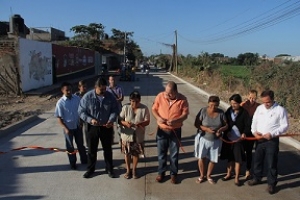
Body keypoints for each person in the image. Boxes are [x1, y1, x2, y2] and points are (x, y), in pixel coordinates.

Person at [248, 90, 289, 194]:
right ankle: (257, 178)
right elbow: (254, 121)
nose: (265, 104)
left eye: (268, 102)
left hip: (271, 140)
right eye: (263, 102)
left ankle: (271, 183)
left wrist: (272, 133)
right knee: (257, 160)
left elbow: (284, 126)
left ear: (273, 99)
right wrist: (254, 133)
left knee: (271, 162)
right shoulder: (259, 108)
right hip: (259, 139)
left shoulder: (280, 110)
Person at [78, 78, 119, 179]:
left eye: (105, 89)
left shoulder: (110, 96)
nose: (103, 91)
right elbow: (81, 111)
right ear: (95, 87)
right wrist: (90, 120)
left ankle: (109, 169)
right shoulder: (87, 97)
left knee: (108, 149)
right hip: (92, 127)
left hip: (106, 127)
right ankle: (90, 169)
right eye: (101, 90)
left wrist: (111, 120)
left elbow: (115, 110)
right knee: (92, 150)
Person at [152, 81, 189, 184]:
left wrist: (176, 120)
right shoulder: (160, 96)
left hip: (175, 131)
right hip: (162, 130)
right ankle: (161, 172)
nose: (166, 95)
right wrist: (158, 118)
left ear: (175, 92)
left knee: (174, 154)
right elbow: (154, 109)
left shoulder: (182, 99)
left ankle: (173, 174)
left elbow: (185, 115)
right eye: (166, 92)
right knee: (161, 153)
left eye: (169, 93)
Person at [194, 96, 227, 185]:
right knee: (201, 157)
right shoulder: (203, 111)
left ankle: (208, 176)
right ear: (208, 103)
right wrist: (206, 129)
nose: (213, 107)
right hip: (203, 138)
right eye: (211, 105)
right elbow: (197, 124)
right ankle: (201, 175)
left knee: (213, 159)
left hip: (215, 140)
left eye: (215, 106)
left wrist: (220, 130)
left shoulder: (221, 113)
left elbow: (226, 125)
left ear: (218, 105)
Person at [54, 82, 87, 170]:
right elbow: (59, 118)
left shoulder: (77, 99)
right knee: (70, 147)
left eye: (70, 90)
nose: (69, 92)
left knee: (80, 144)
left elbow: (81, 111)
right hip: (68, 128)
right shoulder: (60, 103)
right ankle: (73, 163)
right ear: (62, 91)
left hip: (77, 126)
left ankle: (84, 160)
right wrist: (65, 128)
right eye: (67, 90)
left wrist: (81, 121)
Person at [220, 94, 251, 186]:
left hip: (239, 140)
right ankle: (228, 174)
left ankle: (237, 177)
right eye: (231, 103)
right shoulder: (228, 111)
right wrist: (227, 131)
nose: (233, 105)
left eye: (235, 103)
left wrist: (244, 133)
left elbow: (248, 126)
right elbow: (224, 123)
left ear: (239, 103)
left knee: (238, 159)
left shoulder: (244, 113)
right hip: (228, 139)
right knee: (230, 158)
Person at [119, 91, 150, 179]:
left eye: (136, 101)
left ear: (140, 100)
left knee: (136, 154)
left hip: (138, 136)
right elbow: (119, 119)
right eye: (132, 101)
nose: (134, 103)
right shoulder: (125, 108)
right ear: (130, 100)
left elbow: (147, 121)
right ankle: (128, 170)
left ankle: (134, 170)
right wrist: (125, 123)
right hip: (127, 136)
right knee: (127, 154)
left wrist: (141, 124)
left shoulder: (144, 108)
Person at [240, 89, 260, 179]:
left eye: (254, 98)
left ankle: (248, 170)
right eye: (250, 97)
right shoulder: (243, 105)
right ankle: (238, 168)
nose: (252, 100)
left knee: (249, 151)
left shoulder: (259, 107)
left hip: (252, 133)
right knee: (240, 151)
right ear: (248, 96)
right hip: (243, 131)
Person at [106, 75, 124, 144]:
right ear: (109, 81)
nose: (112, 81)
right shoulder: (107, 89)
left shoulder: (119, 88)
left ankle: (121, 139)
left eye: (113, 79)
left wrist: (114, 100)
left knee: (119, 126)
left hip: (118, 110)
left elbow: (121, 98)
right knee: (110, 126)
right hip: (109, 111)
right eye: (111, 80)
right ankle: (111, 140)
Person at [75, 80, 88, 147]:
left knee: (87, 131)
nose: (85, 88)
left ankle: (88, 145)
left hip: (87, 116)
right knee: (79, 132)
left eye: (86, 86)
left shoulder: (88, 95)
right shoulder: (76, 96)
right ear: (79, 87)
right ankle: (81, 146)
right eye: (83, 86)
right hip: (79, 116)